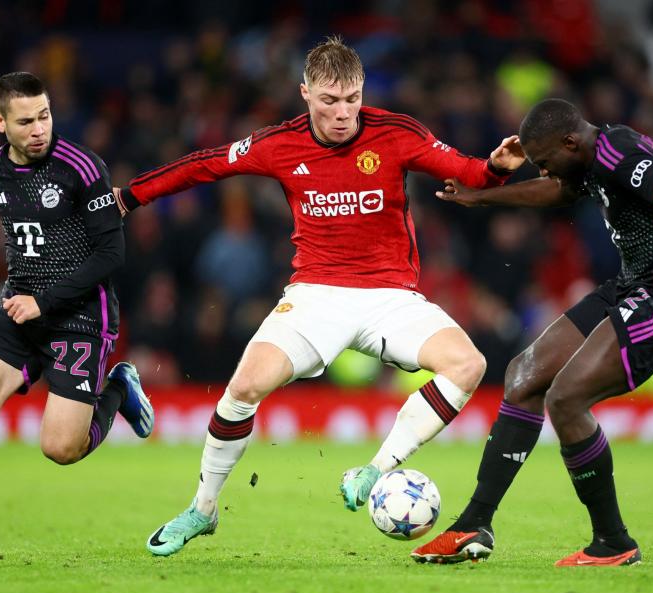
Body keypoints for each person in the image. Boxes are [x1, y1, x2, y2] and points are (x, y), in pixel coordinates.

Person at [113, 36, 525, 557]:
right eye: (329, 101)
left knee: (468, 364)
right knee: (243, 387)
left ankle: (377, 469)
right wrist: (129, 196)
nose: (342, 112)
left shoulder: (395, 133)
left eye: (351, 98)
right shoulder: (280, 144)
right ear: (305, 93)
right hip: (316, 295)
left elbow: (466, 171)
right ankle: (203, 508)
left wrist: (496, 168)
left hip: (390, 296)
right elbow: (207, 163)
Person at [410, 98, 653, 566]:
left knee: (566, 398)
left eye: (545, 161)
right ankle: (475, 523)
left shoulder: (616, 149)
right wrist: (482, 197)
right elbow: (558, 191)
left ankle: (613, 542)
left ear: (570, 141)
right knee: (523, 376)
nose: (544, 171)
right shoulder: (588, 161)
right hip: (632, 286)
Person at [0, 72, 155, 563]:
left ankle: (119, 387)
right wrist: (24, 295)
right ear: (0, 123)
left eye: (45, 115)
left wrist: (47, 298)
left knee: (61, 448)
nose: (40, 128)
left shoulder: (82, 167)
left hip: (81, 316)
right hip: (20, 310)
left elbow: (111, 253)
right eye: (26, 121)